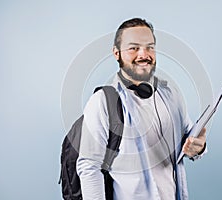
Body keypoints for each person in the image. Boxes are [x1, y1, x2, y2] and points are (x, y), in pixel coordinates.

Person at [77, 18, 207, 200]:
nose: (144, 54)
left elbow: (189, 140)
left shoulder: (171, 95)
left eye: (150, 47)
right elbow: (89, 166)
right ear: (117, 53)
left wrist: (198, 148)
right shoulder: (102, 102)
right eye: (133, 48)